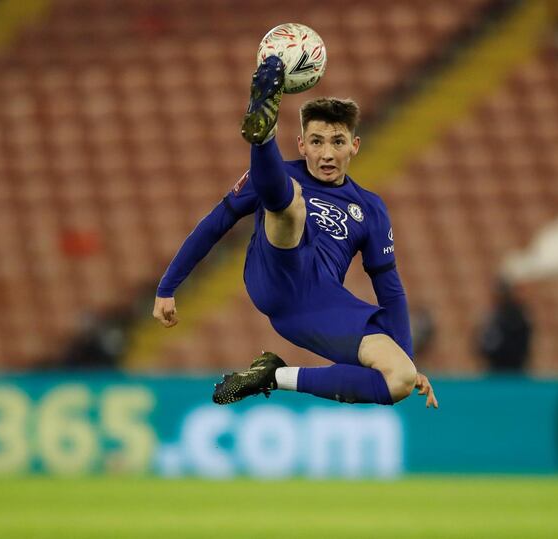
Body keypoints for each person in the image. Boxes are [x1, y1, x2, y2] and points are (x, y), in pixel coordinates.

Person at [153, 56, 438, 408]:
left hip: (320, 302)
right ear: (301, 144)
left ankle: (271, 376)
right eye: (316, 142)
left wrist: (405, 357)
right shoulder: (288, 176)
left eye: (337, 141)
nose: (327, 153)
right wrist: (168, 285)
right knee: (290, 204)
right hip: (274, 271)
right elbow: (217, 222)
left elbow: (390, 289)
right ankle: (263, 134)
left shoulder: (370, 207)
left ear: (355, 146)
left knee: (399, 380)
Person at [475, 277, 533, 373]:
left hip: (514, 367)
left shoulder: (516, 314)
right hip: (494, 367)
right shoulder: (494, 314)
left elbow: (520, 340)